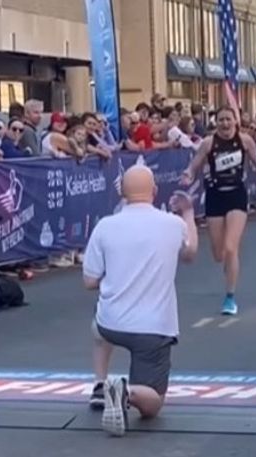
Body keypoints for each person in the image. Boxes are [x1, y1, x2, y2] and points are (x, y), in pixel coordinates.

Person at [82, 165, 199, 437]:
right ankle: (126, 391)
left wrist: (116, 277)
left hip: (111, 323)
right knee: (152, 405)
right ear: (155, 191)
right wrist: (189, 213)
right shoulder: (173, 224)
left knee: (99, 321)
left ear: (122, 194)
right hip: (153, 329)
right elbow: (191, 252)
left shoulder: (105, 226)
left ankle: (100, 383)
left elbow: (89, 281)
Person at [179, 106, 256, 316]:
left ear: (235, 121)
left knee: (232, 248)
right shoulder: (208, 143)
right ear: (217, 122)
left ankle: (230, 297)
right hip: (215, 196)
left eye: (228, 120)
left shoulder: (245, 141)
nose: (225, 124)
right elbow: (194, 166)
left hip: (237, 195)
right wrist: (188, 174)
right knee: (218, 254)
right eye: (221, 120)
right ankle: (229, 265)